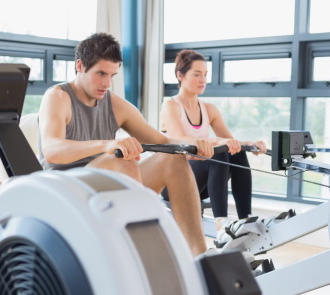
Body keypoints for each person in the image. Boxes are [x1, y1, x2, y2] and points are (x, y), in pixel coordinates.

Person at [38, 32, 216, 257]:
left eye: (112, 75)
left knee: (174, 158)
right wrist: (107, 145)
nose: (106, 83)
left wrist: (196, 145)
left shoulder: (113, 103)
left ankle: (199, 257)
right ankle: (146, 253)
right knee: (121, 158)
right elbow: (52, 150)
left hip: (106, 188)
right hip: (69, 194)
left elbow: (162, 141)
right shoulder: (58, 97)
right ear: (80, 66)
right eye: (100, 73)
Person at [160, 49, 267, 244]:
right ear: (180, 75)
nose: (203, 80)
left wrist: (250, 143)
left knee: (236, 153)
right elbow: (179, 139)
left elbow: (229, 141)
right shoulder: (171, 106)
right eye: (197, 74)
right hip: (174, 181)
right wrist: (218, 142)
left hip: (201, 183)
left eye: (205, 75)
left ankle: (245, 219)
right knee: (218, 153)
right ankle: (221, 225)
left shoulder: (209, 108)